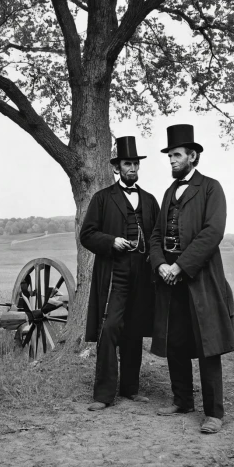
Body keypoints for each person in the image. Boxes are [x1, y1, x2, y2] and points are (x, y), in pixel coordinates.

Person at [149, 124, 234, 434]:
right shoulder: (169, 192)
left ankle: (214, 413)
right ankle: (182, 400)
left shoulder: (211, 188)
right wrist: (161, 264)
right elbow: (158, 234)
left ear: (193, 156)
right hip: (170, 280)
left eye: (176, 155)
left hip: (200, 278)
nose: (171, 160)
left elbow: (212, 233)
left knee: (207, 344)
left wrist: (180, 266)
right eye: (170, 156)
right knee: (175, 341)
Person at [80, 136, 160, 411]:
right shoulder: (102, 199)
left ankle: (130, 388)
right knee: (110, 328)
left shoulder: (149, 201)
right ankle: (103, 395)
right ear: (117, 168)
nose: (132, 168)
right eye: (127, 164)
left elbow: (157, 238)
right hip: (115, 272)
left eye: (135, 163)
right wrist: (111, 242)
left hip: (142, 273)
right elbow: (87, 235)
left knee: (135, 329)